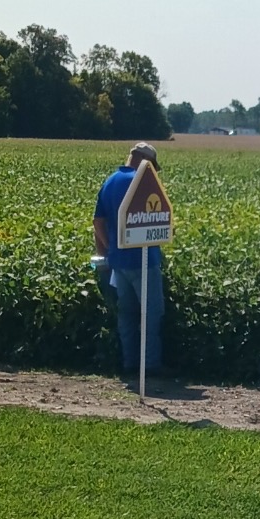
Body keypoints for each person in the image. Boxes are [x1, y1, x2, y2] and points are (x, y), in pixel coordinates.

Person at [93, 142, 165, 383]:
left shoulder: (110, 181)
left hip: (119, 262)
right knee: (152, 313)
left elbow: (98, 222)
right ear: (145, 161)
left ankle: (129, 363)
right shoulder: (143, 182)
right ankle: (151, 365)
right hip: (144, 259)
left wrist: (111, 248)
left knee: (127, 313)